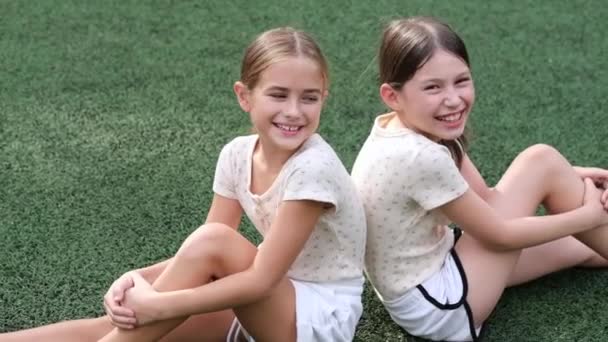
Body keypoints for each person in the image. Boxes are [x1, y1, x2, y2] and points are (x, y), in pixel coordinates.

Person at [1, 27, 367, 342]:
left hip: (317, 318)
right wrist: (137, 278)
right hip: (267, 299)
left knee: (164, 300)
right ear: (245, 96)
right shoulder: (237, 154)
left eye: (309, 98)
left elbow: (257, 278)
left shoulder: (313, 169)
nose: (294, 111)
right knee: (116, 325)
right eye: (278, 94)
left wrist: (159, 305)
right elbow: (201, 254)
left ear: (324, 100)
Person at [351, 16, 608, 342]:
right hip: (439, 307)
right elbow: (499, 234)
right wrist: (585, 215)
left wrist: (571, 177)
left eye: (461, 81)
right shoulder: (418, 156)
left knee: (584, 249)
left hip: (436, 266)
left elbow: (483, 198)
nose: (453, 99)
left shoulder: (403, 125)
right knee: (540, 160)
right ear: (393, 95)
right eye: (433, 87)